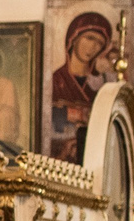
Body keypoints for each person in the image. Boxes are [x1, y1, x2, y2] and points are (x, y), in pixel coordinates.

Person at [48, 11, 118, 164]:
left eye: (99, 43)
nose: (93, 46)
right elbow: (48, 118)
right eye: (90, 38)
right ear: (74, 38)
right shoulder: (55, 80)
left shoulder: (102, 83)